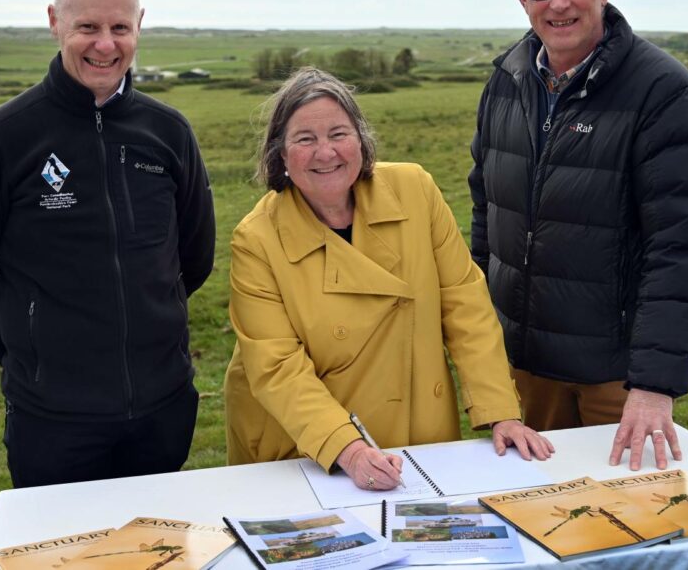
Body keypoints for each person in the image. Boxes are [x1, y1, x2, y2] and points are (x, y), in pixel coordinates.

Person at [0, 0, 215, 488]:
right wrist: (28, 353)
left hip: (163, 409)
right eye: (88, 26)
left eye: (120, 27)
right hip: (52, 420)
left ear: (139, 25)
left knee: (154, 535)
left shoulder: (169, 133)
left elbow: (195, 258)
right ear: (54, 21)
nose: (105, 45)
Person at [224, 67, 553, 491]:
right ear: (281, 156)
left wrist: (500, 412)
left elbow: (465, 305)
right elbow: (277, 367)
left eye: (339, 134)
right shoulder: (256, 239)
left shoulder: (415, 190)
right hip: (311, 447)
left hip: (419, 432)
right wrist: (348, 449)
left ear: (362, 141)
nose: (326, 152)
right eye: (305, 139)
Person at [468, 0, 688, 472]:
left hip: (614, 377)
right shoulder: (506, 80)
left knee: (627, 514)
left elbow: (681, 248)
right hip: (522, 369)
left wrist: (653, 384)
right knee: (526, 507)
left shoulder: (663, 91)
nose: (559, 2)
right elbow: (487, 216)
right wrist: (479, 342)